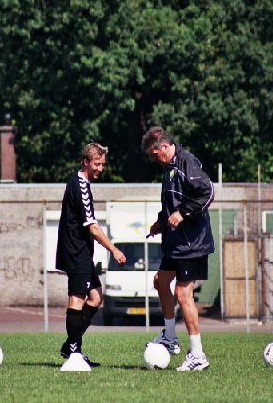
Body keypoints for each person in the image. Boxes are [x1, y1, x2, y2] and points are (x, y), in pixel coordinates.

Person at [142, 126, 215, 371]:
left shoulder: (186, 162)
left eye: (154, 154)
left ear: (164, 146)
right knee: (161, 282)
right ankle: (170, 338)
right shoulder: (169, 169)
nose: (154, 159)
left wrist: (182, 214)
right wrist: (161, 222)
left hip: (192, 243)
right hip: (176, 242)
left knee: (183, 295)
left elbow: (207, 191)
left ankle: (197, 355)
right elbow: (172, 204)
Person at [56, 143, 126, 367]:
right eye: (97, 164)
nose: (100, 168)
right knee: (76, 300)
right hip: (76, 252)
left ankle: (70, 345)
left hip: (82, 253)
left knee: (95, 297)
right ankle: (75, 353)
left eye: (102, 164)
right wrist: (113, 249)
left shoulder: (81, 182)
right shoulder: (80, 186)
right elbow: (92, 227)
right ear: (85, 162)